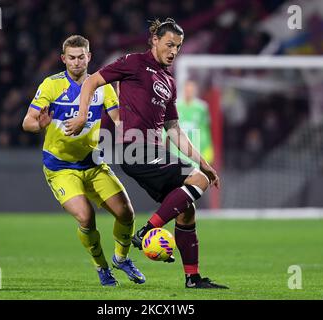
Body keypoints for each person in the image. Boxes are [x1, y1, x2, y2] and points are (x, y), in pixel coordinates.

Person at [65, 19, 228, 289]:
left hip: (154, 149)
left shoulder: (169, 82)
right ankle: (146, 231)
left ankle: (193, 278)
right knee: (197, 181)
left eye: (178, 46)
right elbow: (92, 81)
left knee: (187, 210)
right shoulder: (133, 63)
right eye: (169, 44)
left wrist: (205, 164)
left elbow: (173, 130)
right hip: (135, 148)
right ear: (154, 40)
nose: (173, 51)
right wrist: (82, 115)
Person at [22, 35, 145, 287]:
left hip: (93, 163)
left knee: (126, 213)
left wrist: (130, 129)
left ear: (89, 57)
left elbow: (119, 120)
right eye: (71, 58)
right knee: (86, 217)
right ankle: (101, 267)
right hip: (61, 168)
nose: (76, 62)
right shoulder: (51, 85)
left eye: (81, 57)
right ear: (63, 59)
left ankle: (121, 259)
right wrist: (39, 125)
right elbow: (27, 121)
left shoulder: (102, 86)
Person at [165, 79, 214, 166]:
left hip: (195, 149)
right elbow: (166, 128)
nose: (189, 92)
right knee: (178, 175)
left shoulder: (201, 108)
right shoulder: (175, 106)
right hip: (177, 150)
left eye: (191, 90)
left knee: (195, 176)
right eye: (187, 90)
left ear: (195, 91)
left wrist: (208, 150)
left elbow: (205, 130)